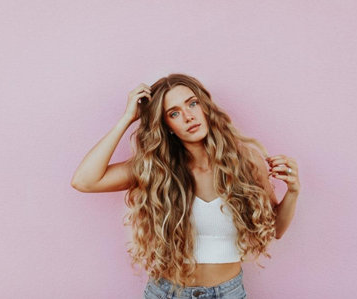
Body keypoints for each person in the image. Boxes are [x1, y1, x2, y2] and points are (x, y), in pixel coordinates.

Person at [71, 73, 301, 298]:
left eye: (192, 104)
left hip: (228, 293)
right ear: (167, 125)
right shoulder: (156, 169)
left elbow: (276, 230)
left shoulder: (246, 161)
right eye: (174, 113)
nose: (189, 116)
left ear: (205, 107)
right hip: (166, 292)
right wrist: (128, 118)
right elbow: (85, 181)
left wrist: (292, 192)